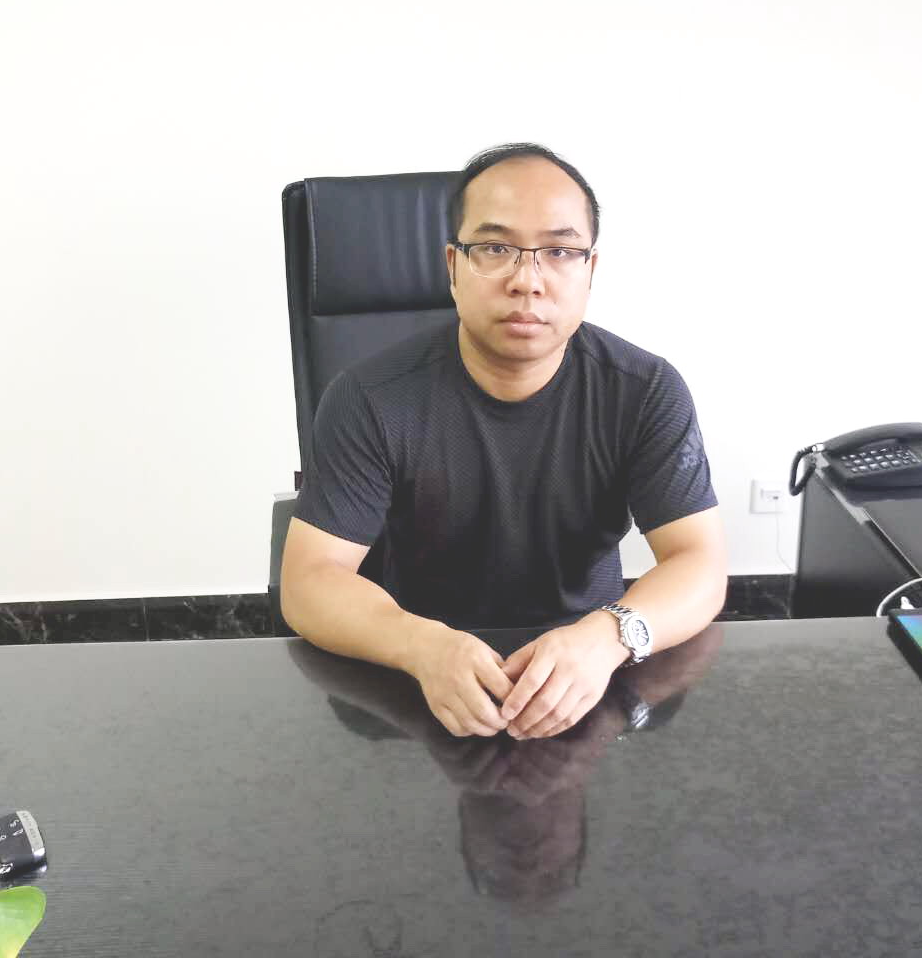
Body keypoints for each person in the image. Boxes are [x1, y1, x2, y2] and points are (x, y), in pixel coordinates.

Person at [279, 143, 727, 740]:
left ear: (590, 270)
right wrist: (420, 645)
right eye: (495, 249)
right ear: (453, 266)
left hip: (586, 659)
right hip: (422, 667)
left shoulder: (644, 391)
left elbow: (699, 561)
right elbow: (310, 580)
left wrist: (609, 636)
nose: (527, 281)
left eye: (560, 251)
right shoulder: (370, 397)